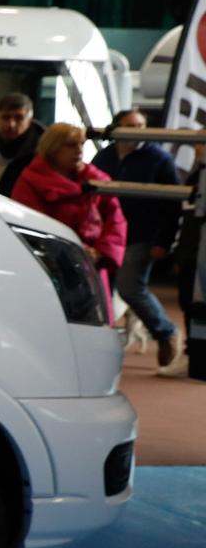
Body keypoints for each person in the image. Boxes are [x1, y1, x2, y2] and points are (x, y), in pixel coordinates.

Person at [92, 107, 183, 368]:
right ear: (116, 129)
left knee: (131, 288)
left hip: (141, 234)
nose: (138, 131)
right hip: (106, 234)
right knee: (101, 292)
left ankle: (166, 332)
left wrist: (163, 241)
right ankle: (102, 349)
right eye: (131, 126)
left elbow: (172, 204)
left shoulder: (159, 159)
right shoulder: (104, 156)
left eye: (141, 125)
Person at [11, 123, 128, 317]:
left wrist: (100, 252)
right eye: (71, 145)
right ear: (53, 148)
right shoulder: (30, 181)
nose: (79, 150)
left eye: (81, 144)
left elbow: (116, 220)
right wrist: (75, 251)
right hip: (51, 267)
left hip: (92, 265)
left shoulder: (98, 181)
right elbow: (30, 224)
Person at [0, 91, 42, 194]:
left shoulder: (42, 152)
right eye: (5, 117)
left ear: (29, 120)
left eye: (19, 118)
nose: (11, 124)